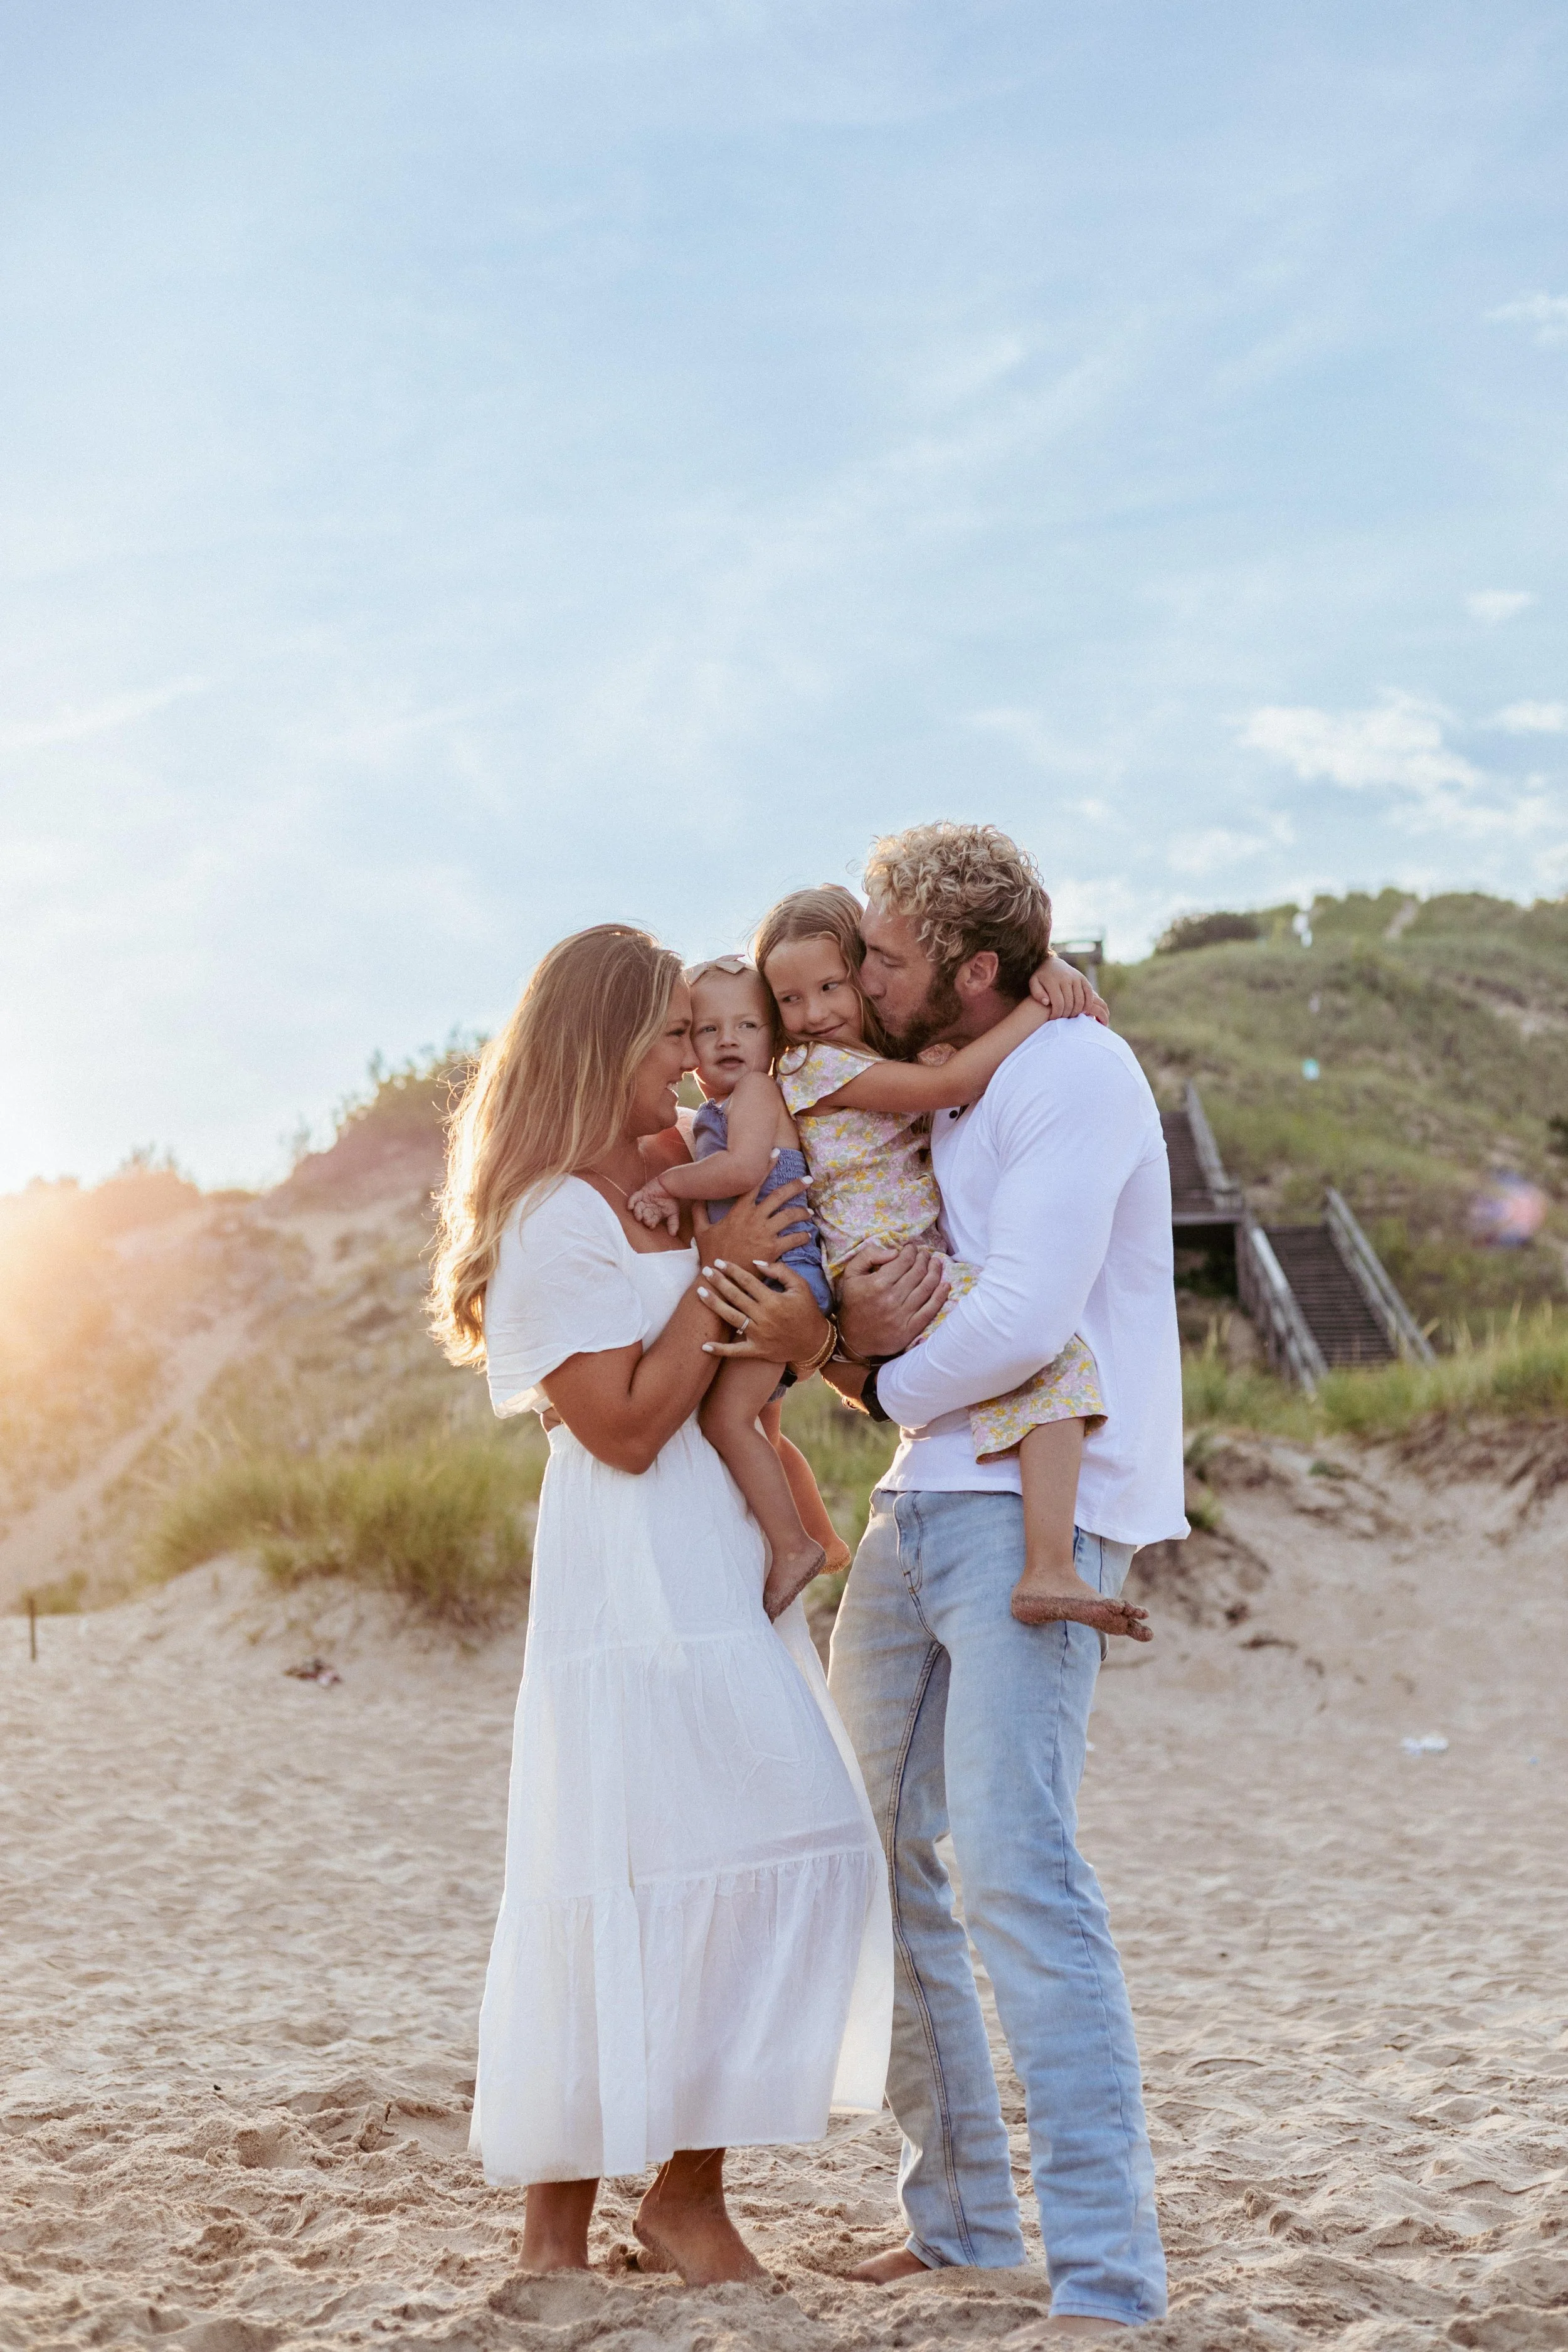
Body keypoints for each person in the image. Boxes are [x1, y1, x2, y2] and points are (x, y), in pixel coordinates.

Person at [696, 827, 1186, 2334]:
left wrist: (870, 1371)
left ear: (973, 967)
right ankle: (961, 2215)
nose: (866, 976)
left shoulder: (1073, 1070)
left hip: (1034, 1506)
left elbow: (1029, 1313)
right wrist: (839, 1352)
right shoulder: (942, 1078)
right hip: (920, 1510)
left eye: (890, 956)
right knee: (872, 1854)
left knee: (1019, 1874)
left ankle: (1106, 2275)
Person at [429, 923, 891, 2285]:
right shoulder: (552, 1217)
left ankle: (684, 2191)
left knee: (797, 1842)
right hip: (627, 1571)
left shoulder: (675, 1181)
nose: (694, 1058)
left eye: (698, 1036)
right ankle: (555, 2235)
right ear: (602, 1046)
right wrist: (715, 1268)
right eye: (669, 1037)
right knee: (603, 1868)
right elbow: (623, 1425)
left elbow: (758, 1326)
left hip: (713, 1557)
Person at [754, 884, 1148, 1643]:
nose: (813, 1012)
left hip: (903, 1271)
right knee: (1058, 1361)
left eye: (831, 985)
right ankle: (1048, 1567)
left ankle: (1042, 1560)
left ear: (867, 974)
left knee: (1022, 1365)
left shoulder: (875, 1055)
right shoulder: (809, 1067)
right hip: (887, 1268)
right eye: (789, 999)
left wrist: (1047, 963)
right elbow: (953, 1084)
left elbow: (960, 1012)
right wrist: (1044, 1004)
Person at [625, 953, 847, 1621]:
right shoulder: (708, 1115)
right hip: (758, 1274)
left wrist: (667, 1183)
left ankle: (791, 1547)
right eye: (707, 1028)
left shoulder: (755, 1096)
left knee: (726, 1419)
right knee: (765, 1429)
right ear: (685, 1044)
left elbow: (743, 1170)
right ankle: (825, 1540)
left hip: (779, 1278)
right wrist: (677, 1204)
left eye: (748, 1025)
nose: (728, 1041)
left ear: (773, 1040)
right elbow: (714, 1203)